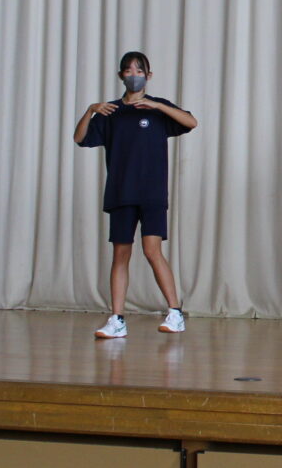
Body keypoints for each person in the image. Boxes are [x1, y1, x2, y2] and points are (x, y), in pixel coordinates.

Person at [74, 51, 197, 339]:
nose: (134, 74)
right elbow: (80, 139)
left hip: (152, 192)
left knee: (153, 250)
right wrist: (91, 110)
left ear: (148, 75)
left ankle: (175, 312)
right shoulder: (110, 112)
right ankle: (117, 318)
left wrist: (155, 105)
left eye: (139, 70)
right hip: (121, 192)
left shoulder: (158, 109)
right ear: (121, 75)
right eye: (128, 70)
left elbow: (191, 122)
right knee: (121, 254)